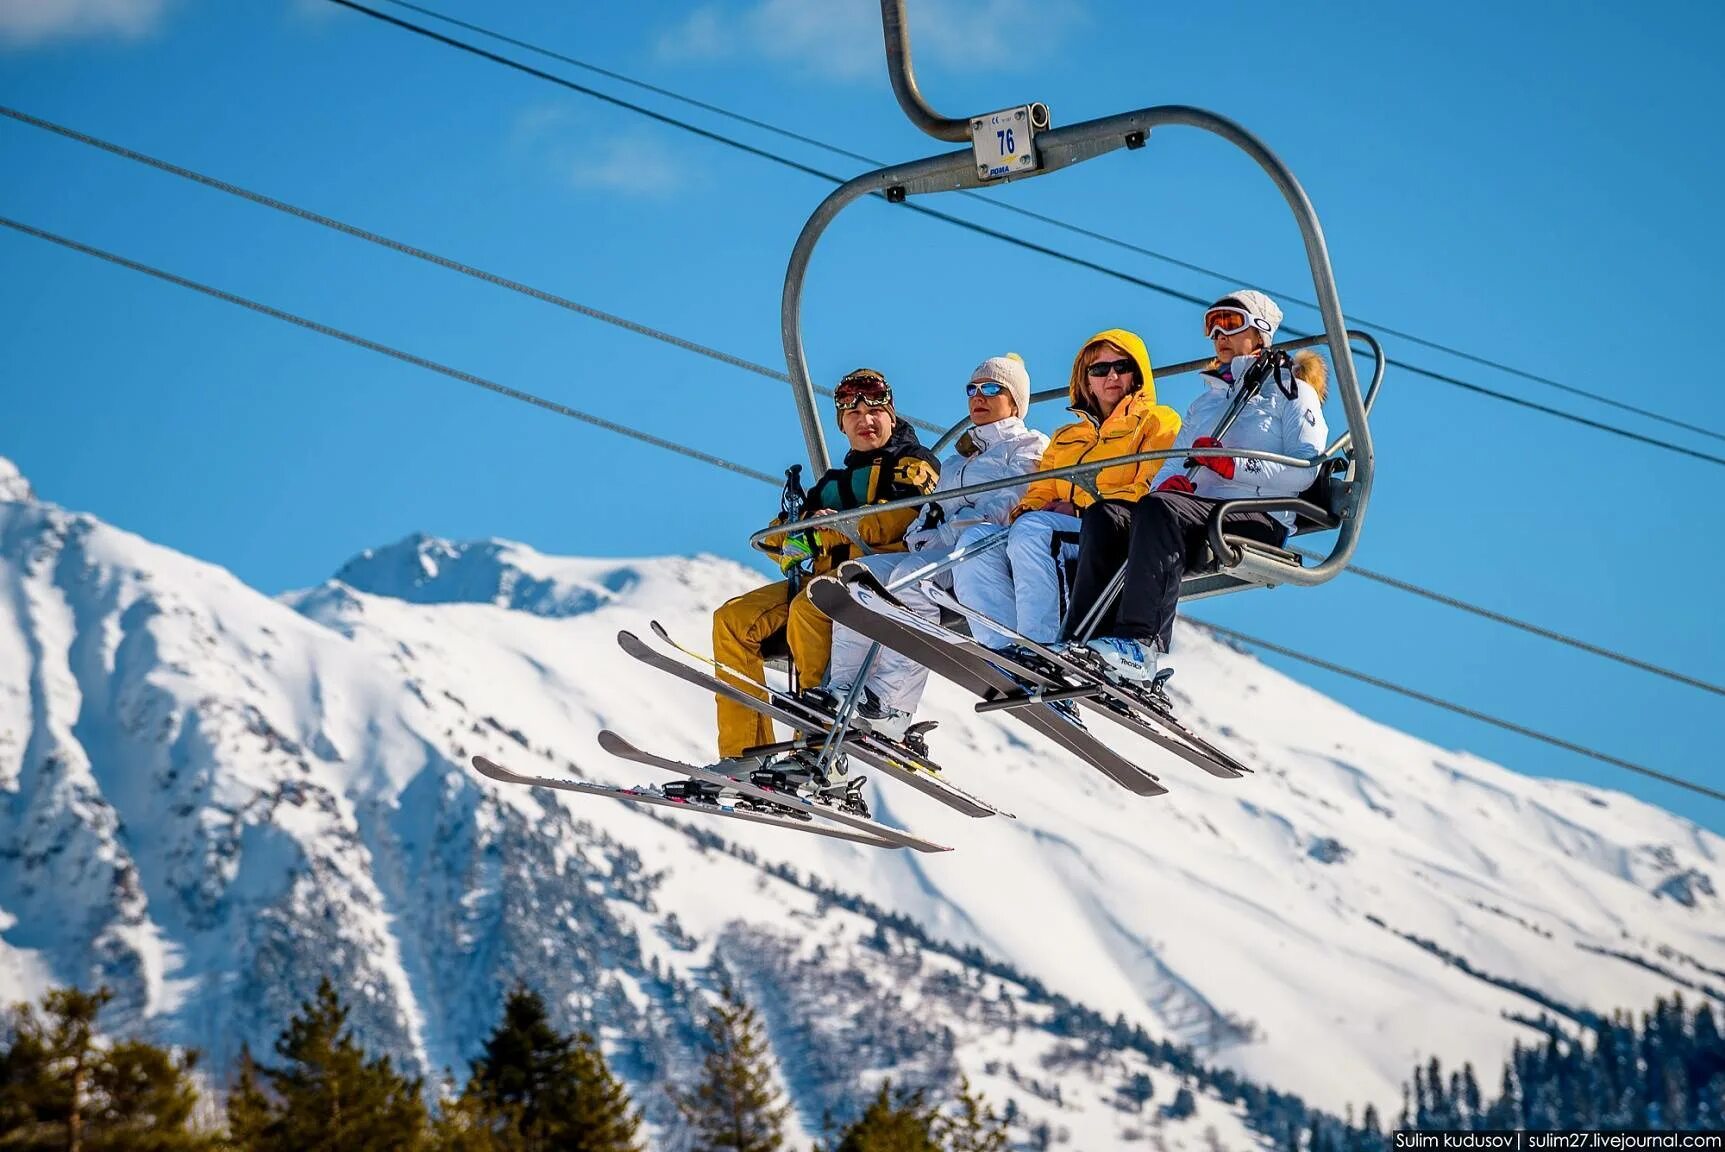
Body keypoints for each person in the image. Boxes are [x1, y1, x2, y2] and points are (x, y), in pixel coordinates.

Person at [1061, 290, 1329, 684]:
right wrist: (1164, 482)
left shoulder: (1291, 392)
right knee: (1108, 516)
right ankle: (1081, 641)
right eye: (1212, 325)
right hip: (1197, 508)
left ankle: (1140, 644)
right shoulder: (1208, 400)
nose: (1220, 333)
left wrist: (1233, 464)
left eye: (1232, 322)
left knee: (1161, 510)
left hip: (1251, 514)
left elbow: (1306, 467)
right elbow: (1177, 458)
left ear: (1261, 332)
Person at [711, 368, 940, 760]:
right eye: (853, 415)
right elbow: (779, 533)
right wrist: (792, 534)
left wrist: (824, 530)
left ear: (891, 415)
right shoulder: (832, 482)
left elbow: (898, 518)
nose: (864, 421)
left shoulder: (913, 465)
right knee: (731, 620)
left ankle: (818, 744)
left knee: (809, 608)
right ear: (842, 425)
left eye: (874, 412)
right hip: (817, 577)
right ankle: (747, 752)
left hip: (874, 580)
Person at [822, 354, 1048, 743]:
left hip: (989, 552)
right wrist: (926, 535)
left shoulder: (1028, 445)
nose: (979, 396)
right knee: (860, 577)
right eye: (972, 389)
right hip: (947, 551)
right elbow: (928, 515)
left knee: (911, 581)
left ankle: (892, 705)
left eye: (993, 389)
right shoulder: (957, 460)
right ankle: (842, 690)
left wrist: (947, 528)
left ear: (1015, 402)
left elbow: (1011, 502)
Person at [952, 328, 1181, 653]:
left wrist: (1077, 510)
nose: (1111, 376)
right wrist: (1029, 511)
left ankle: (1039, 646)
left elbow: (1152, 486)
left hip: (1115, 531)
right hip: (1060, 529)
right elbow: (1040, 489)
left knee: (1032, 531)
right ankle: (1003, 648)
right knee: (975, 541)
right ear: (1086, 380)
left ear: (1137, 374)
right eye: (1099, 369)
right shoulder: (1067, 436)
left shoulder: (1157, 422)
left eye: (1121, 367)